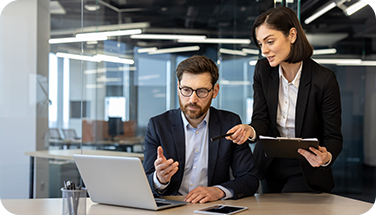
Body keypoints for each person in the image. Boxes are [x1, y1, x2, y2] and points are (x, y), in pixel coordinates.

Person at [226, 7, 343, 193]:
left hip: (305, 168)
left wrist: (326, 156)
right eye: (260, 44)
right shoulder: (263, 71)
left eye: (269, 41)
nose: (264, 50)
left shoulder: (323, 79)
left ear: (292, 35)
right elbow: (261, 120)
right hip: (269, 163)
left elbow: (333, 136)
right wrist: (250, 130)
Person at [143, 55, 259, 203]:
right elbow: (146, 182)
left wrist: (218, 191)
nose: (192, 99)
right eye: (186, 90)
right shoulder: (158, 125)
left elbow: (250, 178)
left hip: (212, 206)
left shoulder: (229, 123)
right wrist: (160, 179)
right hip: (171, 207)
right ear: (178, 87)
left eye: (202, 91)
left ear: (215, 91)